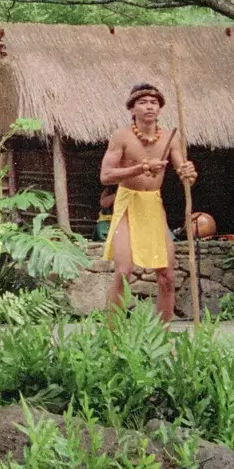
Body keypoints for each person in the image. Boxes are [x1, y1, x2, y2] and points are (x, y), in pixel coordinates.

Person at [99, 82, 197, 322]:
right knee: (124, 272)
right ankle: (112, 336)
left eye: (153, 102)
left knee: (166, 276)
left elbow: (186, 176)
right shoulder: (121, 136)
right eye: (142, 102)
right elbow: (106, 175)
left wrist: (189, 173)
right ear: (132, 109)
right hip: (128, 204)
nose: (149, 107)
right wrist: (141, 167)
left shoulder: (171, 139)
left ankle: (162, 337)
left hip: (153, 205)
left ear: (160, 109)